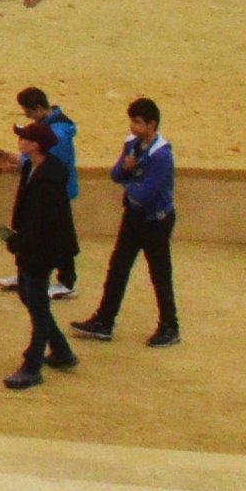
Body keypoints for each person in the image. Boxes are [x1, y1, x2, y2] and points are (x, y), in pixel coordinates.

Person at [74, 97, 182, 348]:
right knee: (118, 267)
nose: (133, 127)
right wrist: (125, 168)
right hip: (134, 217)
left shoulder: (161, 156)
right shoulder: (133, 145)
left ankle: (170, 325)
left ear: (152, 124)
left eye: (138, 122)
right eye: (132, 121)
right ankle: (104, 320)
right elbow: (115, 175)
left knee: (160, 273)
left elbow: (144, 194)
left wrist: (127, 179)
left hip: (155, 221)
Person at [0, 117, 80, 388]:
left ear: (35, 146)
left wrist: (19, 241)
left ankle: (32, 365)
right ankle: (61, 351)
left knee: (37, 303)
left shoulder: (46, 180)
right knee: (31, 297)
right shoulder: (35, 169)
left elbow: (43, 223)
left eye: (24, 138)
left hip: (40, 251)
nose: (19, 140)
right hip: (33, 247)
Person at [0, 86, 78, 300]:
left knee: (58, 234)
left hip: (56, 190)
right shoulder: (49, 127)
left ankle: (67, 282)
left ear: (38, 108)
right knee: (28, 228)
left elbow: (44, 159)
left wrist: (17, 160)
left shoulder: (59, 134)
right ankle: (26, 273)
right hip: (40, 186)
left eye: (28, 111)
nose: (28, 116)